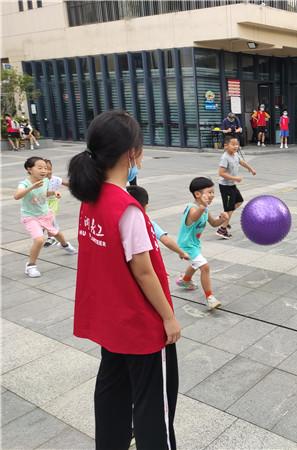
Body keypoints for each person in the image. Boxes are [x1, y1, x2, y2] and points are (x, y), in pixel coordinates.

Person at [67, 110, 180, 450]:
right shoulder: (127, 208)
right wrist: (168, 317)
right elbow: (143, 271)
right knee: (153, 405)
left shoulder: (92, 199)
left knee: (111, 393)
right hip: (140, 325)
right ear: (131, 153)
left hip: (111, 321)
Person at [13, 157, 77, 278]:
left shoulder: (46, 181)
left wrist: (53, 193)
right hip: (30, 216)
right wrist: (32, 187)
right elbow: (17, 196)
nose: (44, 171)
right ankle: (31, 266)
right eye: (40, 168)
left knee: (57, 233)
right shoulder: (24, 183)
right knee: (39, 240)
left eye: (45, 168)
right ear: (29, 169)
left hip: (45, 214)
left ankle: (64, 245)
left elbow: (44, 193)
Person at [175, 176, 229, 310]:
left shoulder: (204, 209)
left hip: (194, 243)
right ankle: (210, 298)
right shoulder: (192, 208)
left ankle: (185, 280)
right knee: (204, 267)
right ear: (198, 194)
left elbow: (213, 223)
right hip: (186, 245)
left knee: (196, 263)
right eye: (209, 192)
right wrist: (203, 206)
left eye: (213, 192)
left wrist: (222, 219)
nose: (212, 195)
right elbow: (194, 217)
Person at [126, 185, 190, 261]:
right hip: (148, 262)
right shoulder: (149, 223)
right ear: (146, 205)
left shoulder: (121, 223)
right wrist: (182, 252)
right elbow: (166, 240)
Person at [216, 134, 256, 239]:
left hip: (232, 185)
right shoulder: (225, 157)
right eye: (233, 144)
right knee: (229, 208)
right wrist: (235, 178)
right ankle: (222, 229)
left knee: (239, 201)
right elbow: (221, 173)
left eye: (237, 144)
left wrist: (250, 168)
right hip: (225, 186)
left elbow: (241, 162)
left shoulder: (235, 154)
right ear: (226, 146)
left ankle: (223, 217)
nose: (236, 146)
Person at [43, 159, 69, 247]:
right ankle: (45, 234)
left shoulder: (56, 179)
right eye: (45, 169)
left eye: (50, 169)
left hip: (53, 202)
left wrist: (76, 184)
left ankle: (51, 238)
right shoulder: (40, 181)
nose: (48, 171)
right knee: (44, 220)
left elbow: (66, 183)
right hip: (42, 203)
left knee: (50, 219)